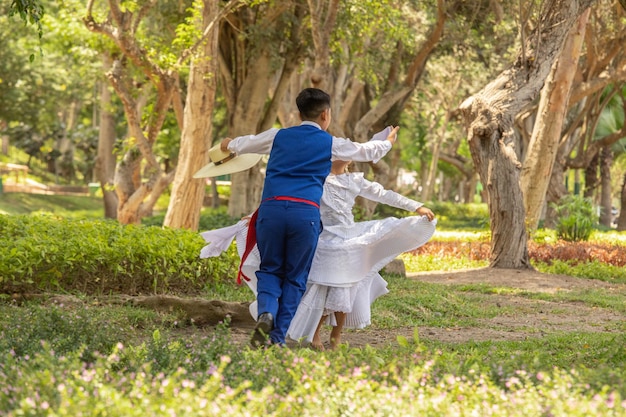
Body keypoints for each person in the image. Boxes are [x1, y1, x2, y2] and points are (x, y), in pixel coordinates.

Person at [219, 88, 398, 347]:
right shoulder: (331, 143)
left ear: (297, 113)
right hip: (305, 215)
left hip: (271, 210)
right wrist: (388, 142)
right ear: (325, 114)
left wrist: (227, 144)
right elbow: (368, 151)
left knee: (270, 269)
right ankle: (277, 338)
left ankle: (267, 312)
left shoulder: (277, 135)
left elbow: (241, 144)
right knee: (295, 276)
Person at [286, 156, 436, 350]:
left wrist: (416, 206)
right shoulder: (316, 178)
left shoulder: (354, 180)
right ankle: (315, 333)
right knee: (323, 286)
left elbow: (385, 194)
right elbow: (289, 197)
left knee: (347, 288)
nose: (343, 155)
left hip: (349, 238)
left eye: (347, 152)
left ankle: (336, 336)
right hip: (326, 238)